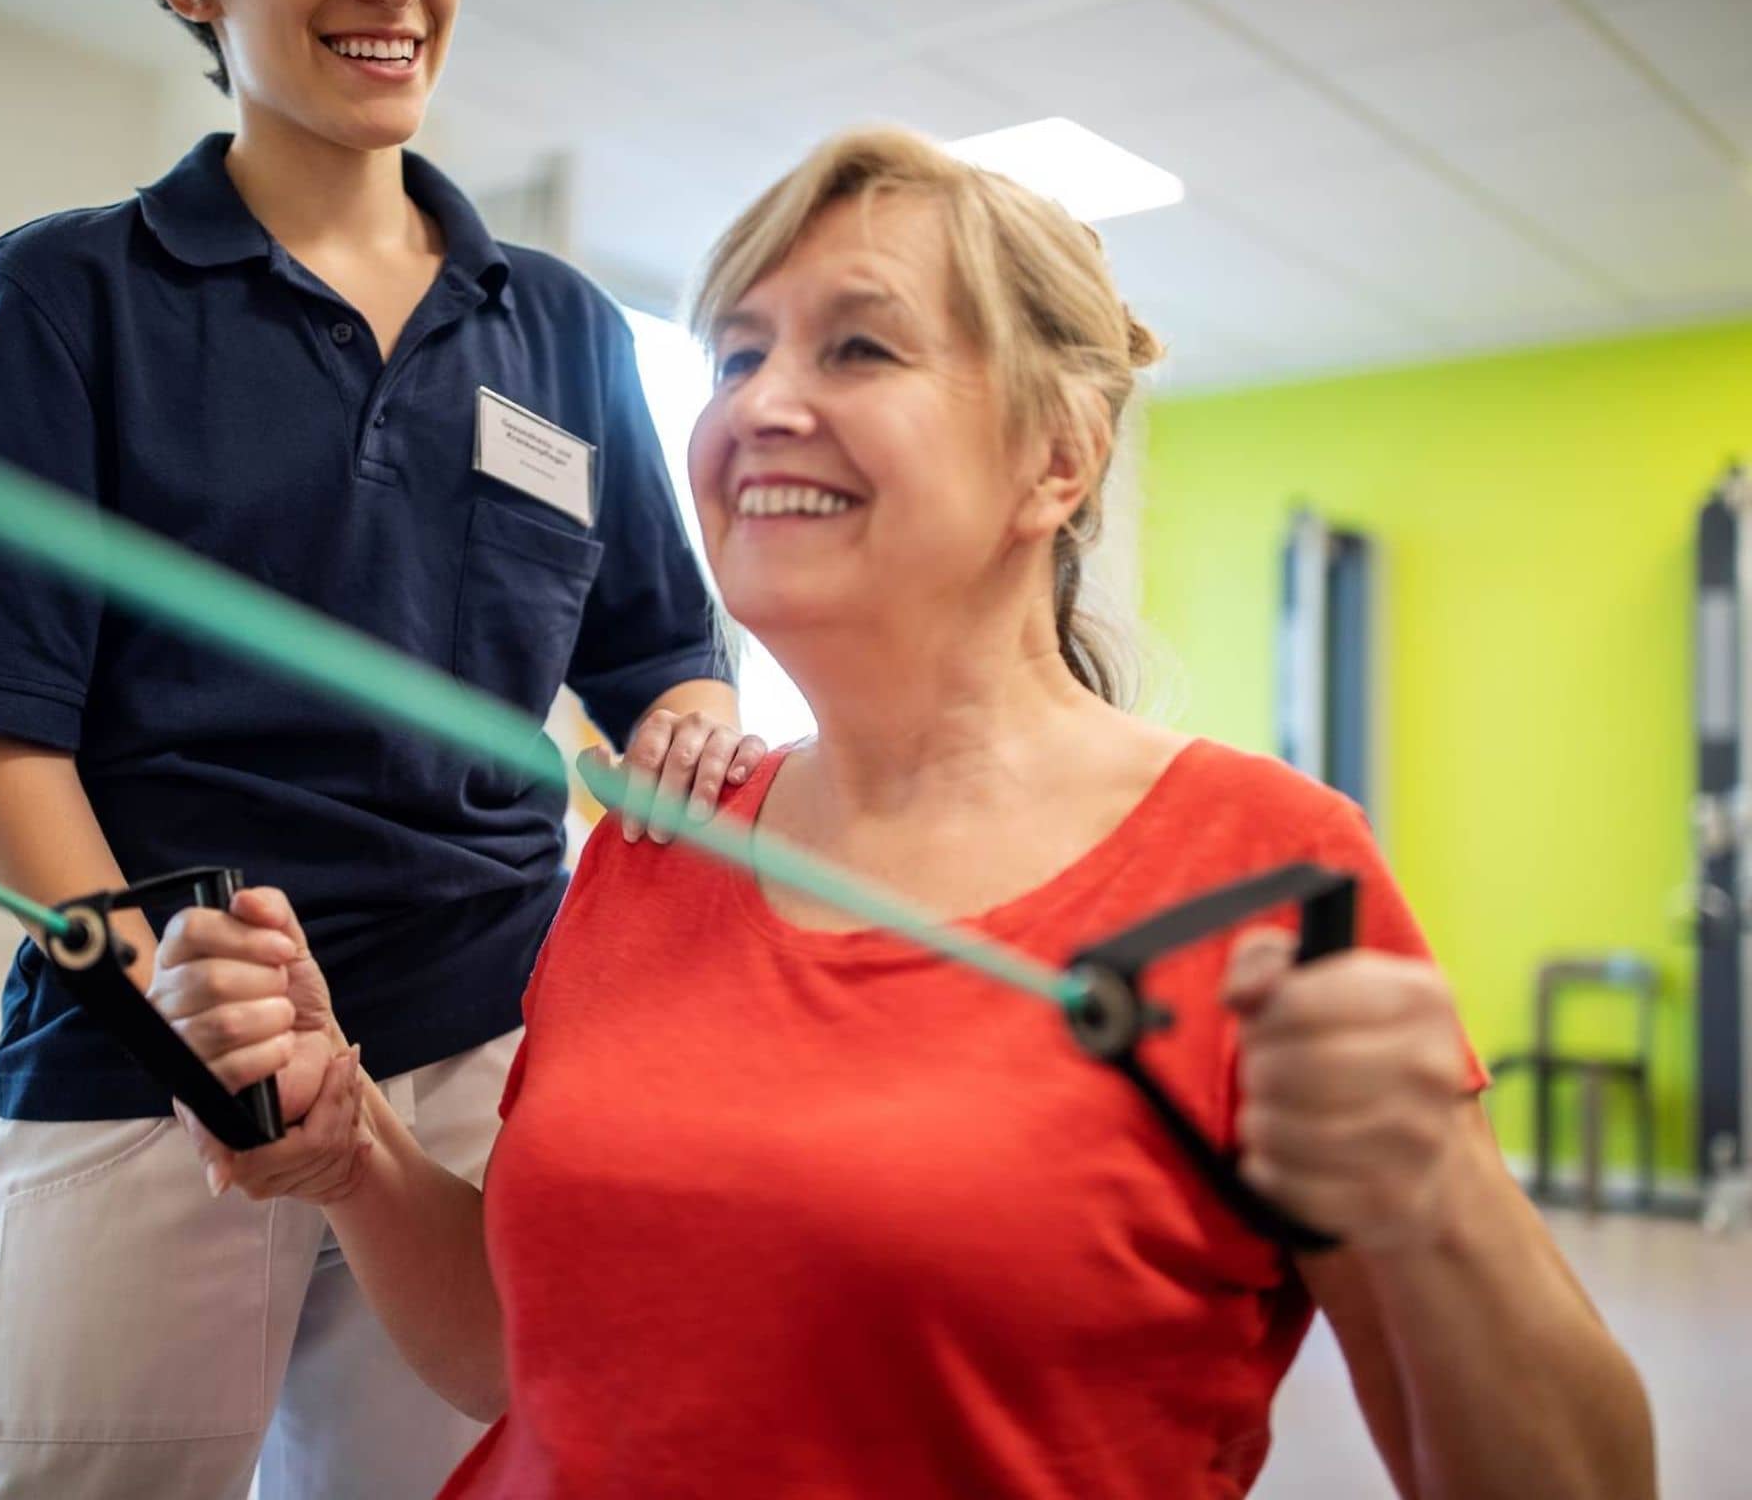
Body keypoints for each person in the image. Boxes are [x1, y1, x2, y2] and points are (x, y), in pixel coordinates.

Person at [164, 126, 1655, 1498]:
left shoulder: (1260, 871)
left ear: (1057, 459)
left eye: (859, 346)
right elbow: (521, 1353)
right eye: (735, 357)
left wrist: (1441, 1202)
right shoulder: (657, 841)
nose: (762, 406)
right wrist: (353, 1140)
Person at [0, 0, 759, 1496]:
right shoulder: (68, 296)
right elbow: (0, 726)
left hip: (481, 1046)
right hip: (156, 1055)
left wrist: (689, 720)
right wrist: (196, 1034)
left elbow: (666, 656)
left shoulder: (558, 325)